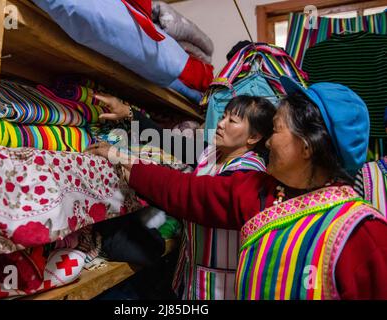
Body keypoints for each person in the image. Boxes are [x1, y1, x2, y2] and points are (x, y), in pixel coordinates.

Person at [90, 76, 387, 300]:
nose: (271, 141)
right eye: (223, 117)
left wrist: (120, 156)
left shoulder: (362, 235)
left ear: (306, 146)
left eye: (277, 130)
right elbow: (182, 183)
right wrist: (128, 123)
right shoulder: (257, 187)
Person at [93, 93, 276, 300]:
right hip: (190, 275)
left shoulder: (248, 174)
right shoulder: (212, 153)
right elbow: (167, 141)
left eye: (232, 121)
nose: (221, 124)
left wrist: (122, 158)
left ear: (253, 137)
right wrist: (128, 112)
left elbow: (187, 195)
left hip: (220, 288)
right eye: (223, 116)